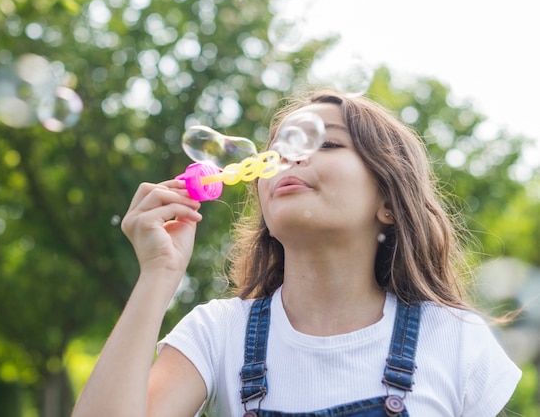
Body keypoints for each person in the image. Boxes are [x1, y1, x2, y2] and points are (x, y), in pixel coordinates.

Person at [71, 89, 522, 417]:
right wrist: (157, 274)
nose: (288, 159)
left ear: (388, 201)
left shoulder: (453, 338)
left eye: (325, 142)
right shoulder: (218, 334)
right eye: (278, 152)